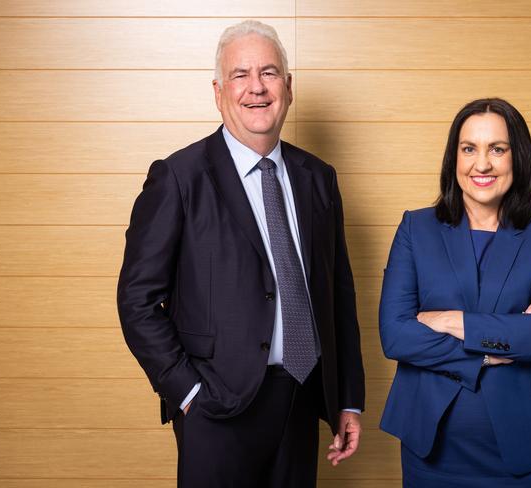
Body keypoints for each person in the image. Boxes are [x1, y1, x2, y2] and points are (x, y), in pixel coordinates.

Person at [117, 20, 365, 488]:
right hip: (216, 406)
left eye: (269, 73)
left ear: (288, 89)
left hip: (301, 398)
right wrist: (186, 391)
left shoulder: (318, 178)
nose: (256, 88)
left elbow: (338, 292)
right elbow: (137, 301)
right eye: (240, 75)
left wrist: (347, 398)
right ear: (218, 90)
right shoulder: (178, 177)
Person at [379, 98, 531, 487]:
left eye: (497, 149)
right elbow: (396, 334)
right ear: (453, 158)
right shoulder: (415, 229)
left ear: (517, 158)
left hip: (528, 452)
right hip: (432, 450)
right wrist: (493, 348)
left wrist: (452, 321)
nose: (482, 164)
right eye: (469, 148)